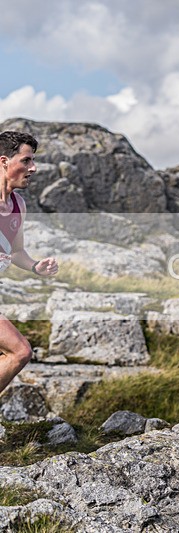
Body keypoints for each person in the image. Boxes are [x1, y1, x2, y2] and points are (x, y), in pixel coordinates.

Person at [0, 131, 59, 395]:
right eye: (26, 160)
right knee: (20, 351)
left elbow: (17, 251)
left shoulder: (18, 205)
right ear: (4, 161)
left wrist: (35, 266)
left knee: (19, 353)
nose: (32, 168)